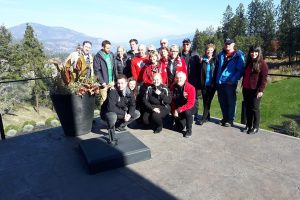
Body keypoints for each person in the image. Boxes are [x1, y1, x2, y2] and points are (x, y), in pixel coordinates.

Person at [101, 74, 140, 145]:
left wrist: (129, 114)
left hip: (120, 112)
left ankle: (119, 126)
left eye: (122, 83)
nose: (120, 85)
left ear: (126, 83)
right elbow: (111, 107)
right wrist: (124, 113)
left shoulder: (129, 92)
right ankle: (112, 137)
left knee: (137, 113)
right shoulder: (113, 91)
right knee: (112, 116)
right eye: (118, 83)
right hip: (107, 112)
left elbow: (133, 105)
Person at [215, 38, 245, 127]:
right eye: (226, 43)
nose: (227, 45)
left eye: (229, 43)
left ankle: (230, 120)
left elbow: (240, 70)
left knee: (231, 101)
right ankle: (225, 118)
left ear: (233, 44)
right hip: (220, 82)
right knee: (222, 101)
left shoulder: (238, 55)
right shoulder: (221, 54)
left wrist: (232, 80)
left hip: (230, 83)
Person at [242, 45, 268, 134]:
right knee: (248, 108)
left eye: (255, 52)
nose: (253, 54)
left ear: (259, 52)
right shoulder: (249, 62)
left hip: (255, 90)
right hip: (246, 89)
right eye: (252, 52)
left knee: (255, 109)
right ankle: (248, 125)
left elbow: (264, 78)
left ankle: (255, 127)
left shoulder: (262, 64)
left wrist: (261, 90)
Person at [180, 38, 201, 122]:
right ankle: (185, 114)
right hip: (183, 80)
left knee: (194, 98)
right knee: (183, 97)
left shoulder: (195, 55)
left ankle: (195, 114)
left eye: (187, 44)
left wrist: (199, 82)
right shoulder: (179, 55)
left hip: (193, 80)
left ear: (190, 44)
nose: (186, 45)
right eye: (184, 44)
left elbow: (199, 69)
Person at [196, 43, 218, 125]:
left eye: (211, 50)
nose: (209, 52)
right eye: (208, 50)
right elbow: (199, 71)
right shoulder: (202, 60)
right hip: (204, 84)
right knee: (205, 101)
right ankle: (207, 116)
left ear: (213, 51)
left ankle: (203, 118)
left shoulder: (215, 60)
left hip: (212, 85)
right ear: (206, 51)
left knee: (208, 101)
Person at [171, 71, 197, 138]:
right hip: (179, 107)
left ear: (185, 79)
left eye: (180, 78)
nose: (178, 79)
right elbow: (172, 101)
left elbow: (190, 103)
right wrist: (174, 110)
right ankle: (185, 119)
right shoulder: (173, 87)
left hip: (191, 106)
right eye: (177, 78)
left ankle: (189, 130)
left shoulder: (191, 88)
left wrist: (178, 110)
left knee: (187, 112)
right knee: (179, 128)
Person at [93, 40, 116, 107]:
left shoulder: (111, 55)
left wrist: (114, 79)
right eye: (107, 48)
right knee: (104, 100)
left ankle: (110, 114)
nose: (109, 49)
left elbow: (113, 67)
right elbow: (96, 70)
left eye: (110, 48)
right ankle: (103, 115)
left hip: (111, 81)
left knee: (112, 99)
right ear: (103, 47)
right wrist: (102, 81)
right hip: (104, 83)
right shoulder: (98, 56)